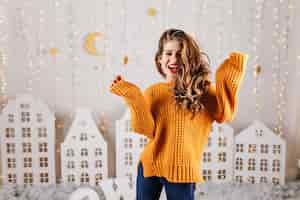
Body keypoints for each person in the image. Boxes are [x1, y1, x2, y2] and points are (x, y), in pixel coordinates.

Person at [109, 28, 248, 200]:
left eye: (180, 54)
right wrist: (133, 96)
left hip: (183, 170)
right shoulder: (153, 92)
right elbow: (146, 130)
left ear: (189, 58)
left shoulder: (201, 89)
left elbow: (224, 114)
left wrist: (231, 74)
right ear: (159, 59)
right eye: (168, 53)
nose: (174, 59)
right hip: (150, 164)